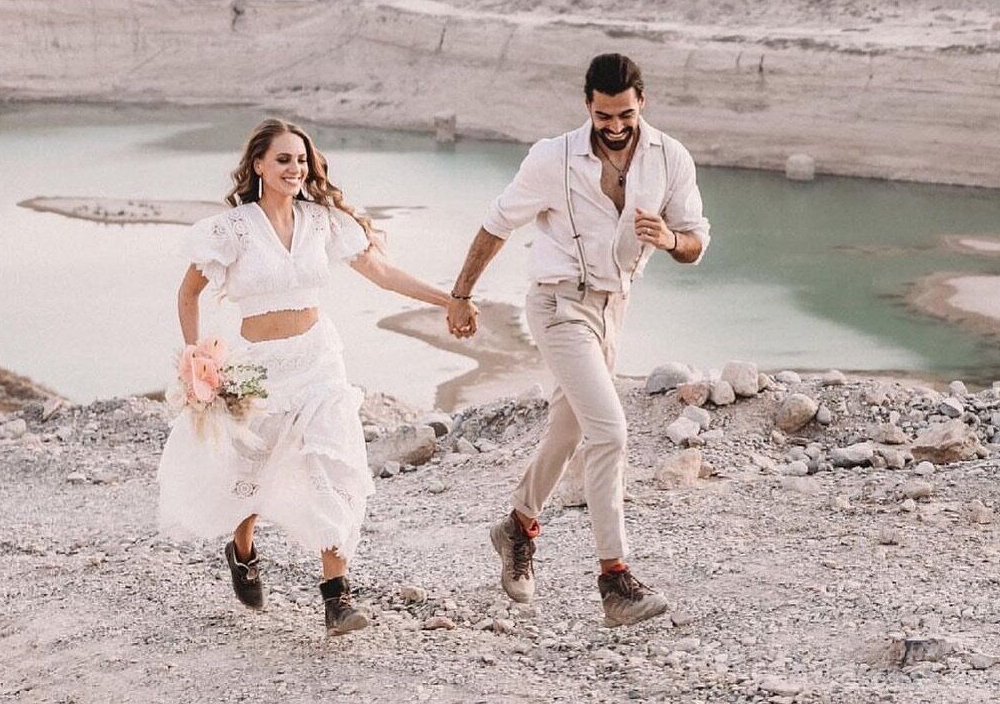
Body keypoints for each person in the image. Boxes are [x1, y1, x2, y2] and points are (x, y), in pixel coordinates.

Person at [157, 117, 452, 635]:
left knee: (330, 467)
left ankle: (337, 596)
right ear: (258, 166)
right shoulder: (231, 229)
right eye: (283, 160)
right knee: (251, 467)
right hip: (258, 369)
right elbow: (188, 294)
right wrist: (196, 358)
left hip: (320, 361)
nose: (296, 168)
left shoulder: (324, 222)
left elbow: (382, 273)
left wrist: (449, 299)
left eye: (301, 159)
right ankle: (242, 549)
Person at [446, 53, 710, 626]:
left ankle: (516, 526)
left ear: (643, 103)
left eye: (626, 114)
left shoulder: (671, 157)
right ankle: (615, 581)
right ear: (587, 104)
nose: (615, 125)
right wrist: (461, 295)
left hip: (613, 308)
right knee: (610, 430)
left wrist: (668, 238)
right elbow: (497, 224)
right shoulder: (552, 158)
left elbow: (695, 241)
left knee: (568, 429)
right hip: (557, 303)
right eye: (604, 114)